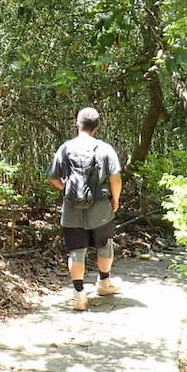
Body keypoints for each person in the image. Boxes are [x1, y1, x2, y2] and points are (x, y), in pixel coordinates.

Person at [47, 107, 123, 310]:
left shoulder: (65, 148)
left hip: (72, 208)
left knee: (76, 251)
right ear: (96, 127)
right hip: (100, 207)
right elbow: (115, 179)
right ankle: (104, 283)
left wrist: (68, 190)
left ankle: (79, 295)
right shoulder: (105, 149)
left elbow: (53, 177)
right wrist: (115, 200)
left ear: (77, 125)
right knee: (105, 244)